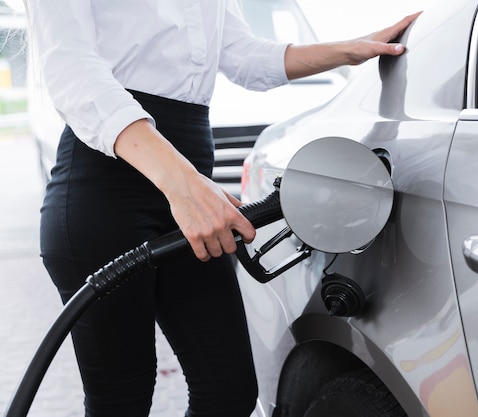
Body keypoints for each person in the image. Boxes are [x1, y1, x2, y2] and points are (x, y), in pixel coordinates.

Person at [26, 1, 419, 416]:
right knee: (121, 398)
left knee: (227, 388)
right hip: (105, 189)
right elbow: (72, 68)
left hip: (189, 183)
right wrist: (182, 183)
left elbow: (245, 56)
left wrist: (351, 49)